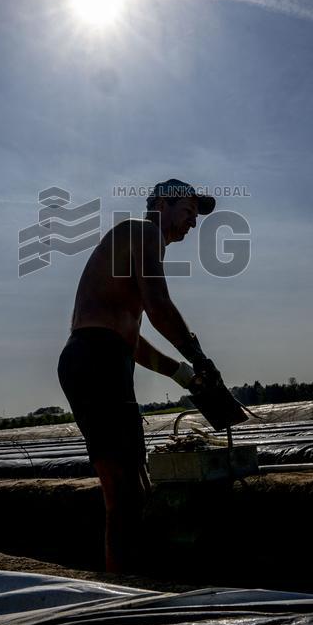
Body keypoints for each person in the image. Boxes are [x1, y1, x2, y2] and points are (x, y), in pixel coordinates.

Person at [57, 178, 220, 573]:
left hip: (97, 358)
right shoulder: (143, 232)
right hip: (98, 361)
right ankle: (124, 596)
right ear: (163, 203)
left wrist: (181, 373)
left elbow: (132, 339)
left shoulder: (136, 246)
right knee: (125, 494)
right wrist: (199, 357)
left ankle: (129, 583)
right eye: (188, 213)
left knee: (131, 489)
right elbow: (159, 305)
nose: (192, 224)